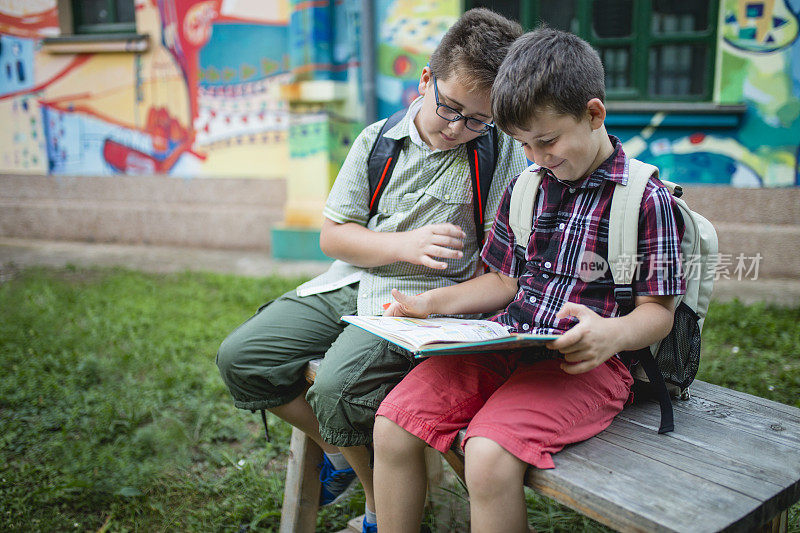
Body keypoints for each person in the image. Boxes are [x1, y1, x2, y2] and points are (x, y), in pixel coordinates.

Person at [215, 9, 525, 532]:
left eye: (477, 119)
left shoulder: (501, 155)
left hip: (420, 306)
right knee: (243, 356)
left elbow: (504, 265)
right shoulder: (377, 140)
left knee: (336, 387)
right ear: (425, 79)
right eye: (450, 108)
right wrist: (404, 242)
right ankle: (341, 456)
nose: (457, 127)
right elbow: (334, 236)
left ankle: (381, 514)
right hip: (353, 281)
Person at [372, 27, 686, 533]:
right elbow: (503, 282)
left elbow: (658, 315)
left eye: (547, 141)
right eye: (523, 146)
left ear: (594, 114)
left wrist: (609, 334)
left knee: (489, 455)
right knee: (392, 425)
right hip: (507, 341)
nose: (537, 158)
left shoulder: (644, 201)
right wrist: (432, 303)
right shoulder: (526, 187)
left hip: (590, 363)